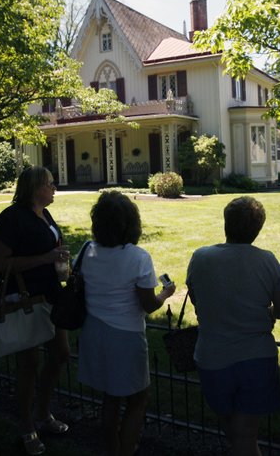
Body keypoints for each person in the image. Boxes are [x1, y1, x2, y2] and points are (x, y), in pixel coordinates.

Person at [186, 196, 280, 456]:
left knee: (233, 428)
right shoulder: (267, 260)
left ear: (226, 223)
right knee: (245, 432)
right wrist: (269, 313)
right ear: (258, 228)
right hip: (256, 356)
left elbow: (196, 299)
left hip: (212, 356)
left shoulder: (201, 257)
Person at [77, 191, 176, 456]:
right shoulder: (138, 257)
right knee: (137, 398)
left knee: (110, 397)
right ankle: (127, 449)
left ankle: (112, 448)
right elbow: (149, 305)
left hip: (93, 332)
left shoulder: (87, 251)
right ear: (131, 223)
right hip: (125, 337)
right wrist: (166, 293)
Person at [0, 166, 71, 455]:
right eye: (50, 183)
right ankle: (27, 426)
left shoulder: (44, 214)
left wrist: (59, 260)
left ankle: (42, 412)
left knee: (61, 353)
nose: (54, 188)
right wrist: (45, 258)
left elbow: (50, 248)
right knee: (28, 364)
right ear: (35, 187)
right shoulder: (11, 219)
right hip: (25, 300)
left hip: (51, 294)